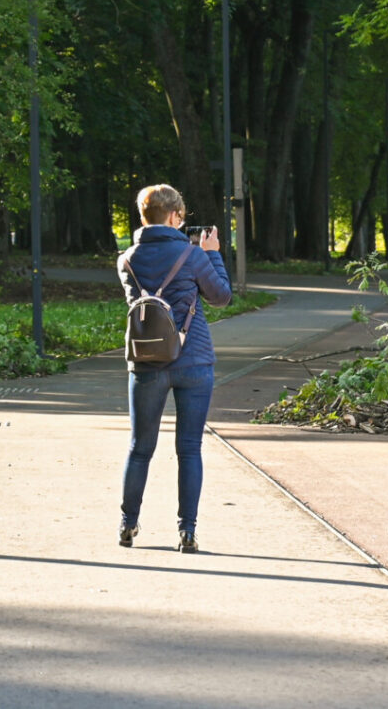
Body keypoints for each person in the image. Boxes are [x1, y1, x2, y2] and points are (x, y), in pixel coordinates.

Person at [116, 183, 231, 553]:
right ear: (173, 215)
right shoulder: (192, 255)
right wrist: (211, 254)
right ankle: (188, 531)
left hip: (146, 361)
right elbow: (221, 297)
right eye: (181, 216)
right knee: (189, 449)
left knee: (139, 448)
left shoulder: (126, 259)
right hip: (193, 360)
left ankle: (127, 524)